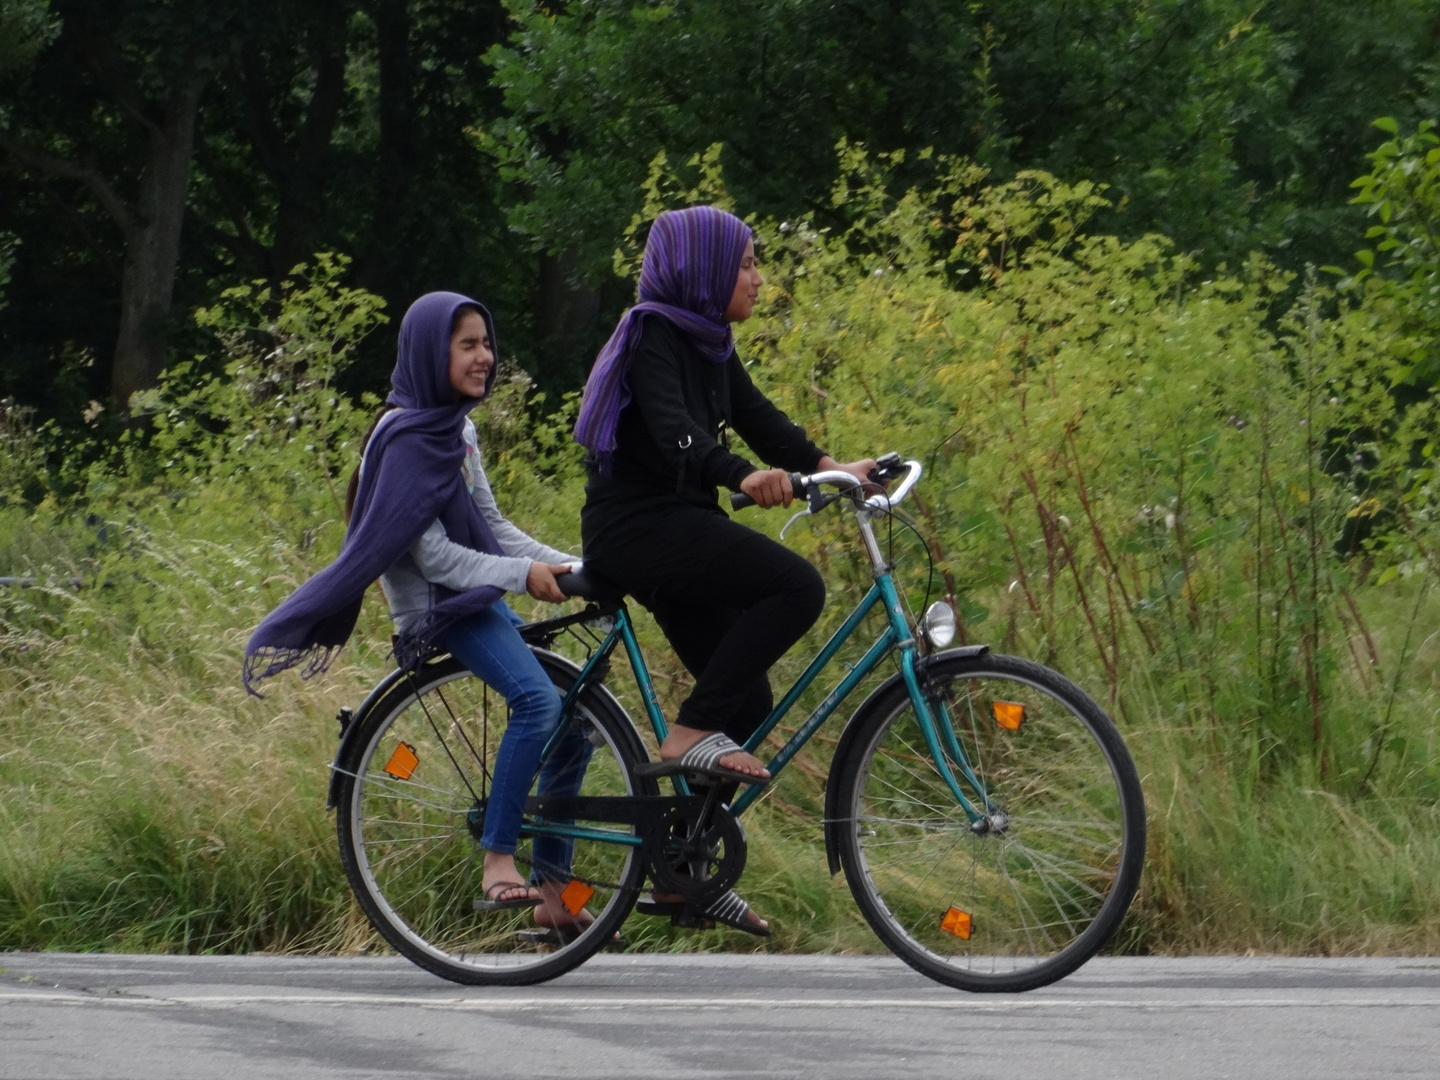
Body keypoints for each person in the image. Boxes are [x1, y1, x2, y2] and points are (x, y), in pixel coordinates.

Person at [244, 291, 589, 934]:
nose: (484, 356)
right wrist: (523, 576)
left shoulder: (456, 428)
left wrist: (575, 565)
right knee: (539, 704)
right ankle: (497, 862)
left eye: (487, 343)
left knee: (577, 723)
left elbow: (493, 526)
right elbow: (436, 560)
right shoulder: (404, 438)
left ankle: (556, 892)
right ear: (433, 352)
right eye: (468, 345)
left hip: (474, 599)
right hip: (441, 612)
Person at [574, 206, 875, 935]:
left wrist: (832, 468)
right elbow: (681, 437)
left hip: (679, 525)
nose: (757, 278)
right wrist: (748, 477)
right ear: (704, 272)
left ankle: (684, 871)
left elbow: (757, 415)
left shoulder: (709, 341)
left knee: (745, 703)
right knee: (797, 585)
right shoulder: (652, 333)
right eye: (744, 264)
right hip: (640, 528)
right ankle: (685, 736)